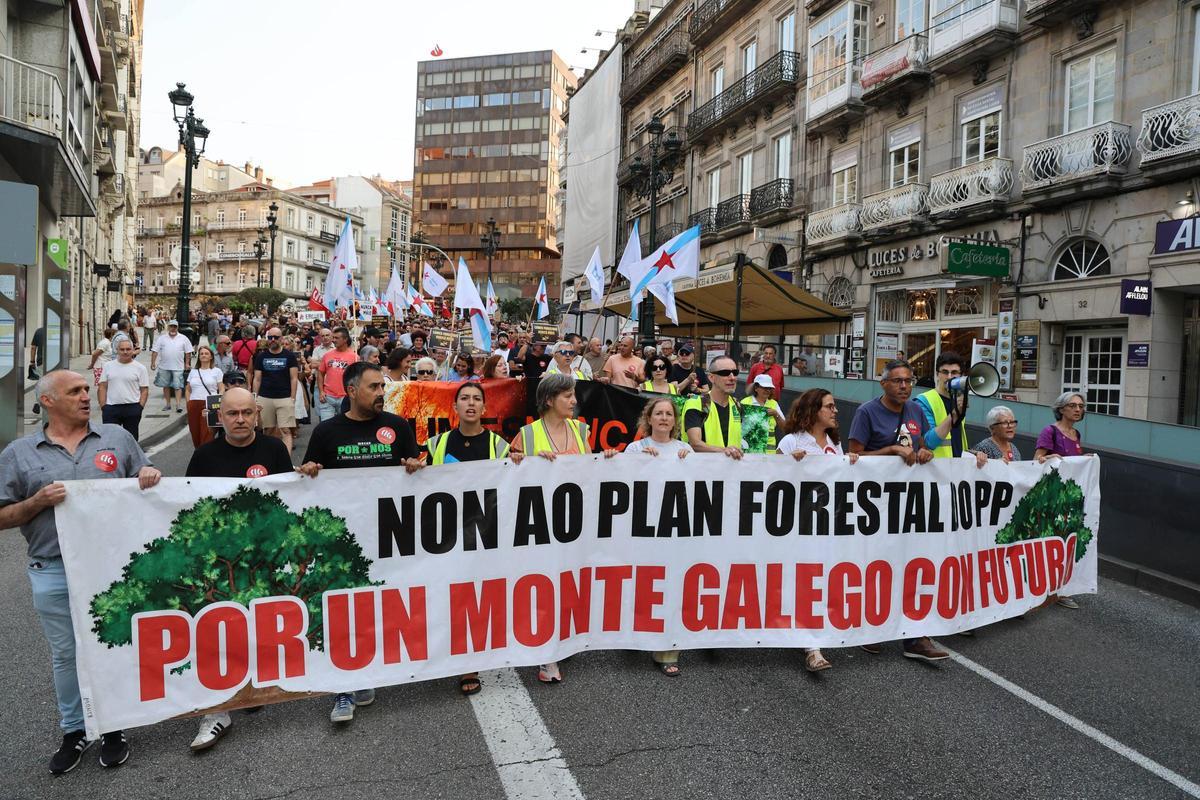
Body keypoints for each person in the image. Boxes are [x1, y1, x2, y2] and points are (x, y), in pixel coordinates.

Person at [0, 369, 161, 774]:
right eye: (75, 391)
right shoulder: (18, 453)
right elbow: (3, 515)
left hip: (111, 567)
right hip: (51, 569)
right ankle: (74, 731)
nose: (86, 396)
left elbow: (149, 487)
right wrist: (36, 502)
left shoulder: (117, 440)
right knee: (66, 655)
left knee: (113, 645)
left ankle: (114, 727)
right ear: (48, 401)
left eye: (87, 389)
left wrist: (149, 476)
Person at [299, 361, 423, 723]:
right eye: (373, 388)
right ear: (351, 391)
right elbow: (309, 477)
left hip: (389, 535)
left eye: (382, 387)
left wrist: (415, 466)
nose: (381, 393)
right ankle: (343, 687)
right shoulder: (326, 432)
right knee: (343, 608)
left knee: (380, 605)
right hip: (341, 539)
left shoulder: (397, 426)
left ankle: (366, 669)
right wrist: (308, 472)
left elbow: (411, 468)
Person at [183, 388, 293, 752]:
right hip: (222, 561)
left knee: (260, 622)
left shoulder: (274, 450)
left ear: (257, 414)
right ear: (221, 416)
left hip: (264, 557)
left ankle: (251, 686)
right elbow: (185, 504)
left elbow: (290, 499)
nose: (241, 419)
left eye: (247, 412)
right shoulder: (204, 456)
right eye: (233, 414)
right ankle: (216, 712)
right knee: (219, 629)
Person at [510, 373, 615, 683]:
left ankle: (564, 638)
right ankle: (547, 656)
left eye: (573, 395)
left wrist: (605, 458)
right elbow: (510, 474)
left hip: (575, 523)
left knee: (570, 582)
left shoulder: (581, 430)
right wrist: (529, 461)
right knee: (545, 585)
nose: (574, 401)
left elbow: (588, 473)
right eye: (567, 396)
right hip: (541, 526)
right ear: (548, 400)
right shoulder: (527, 435)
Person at [425, 382, 523, 695]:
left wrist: (525, 466)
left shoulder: (500, 447)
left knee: (477, 600)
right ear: (454, 407)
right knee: (449, 598)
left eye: (476, 399)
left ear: (484, 409)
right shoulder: (434, 445)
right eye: (464, 398)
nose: (470, 403)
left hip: (485, 536)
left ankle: (470, 665)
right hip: (447, 537)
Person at [847, 359, 946, 662]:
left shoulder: (915, 409)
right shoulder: (867, 412)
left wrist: (925, 452)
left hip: (907, 504)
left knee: (910, 565)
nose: (904, 386)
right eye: (897, 381)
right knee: (874, 566)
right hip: (873, 505)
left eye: (909, 380)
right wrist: (889, 451)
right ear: (884, 384)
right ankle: (868, 627)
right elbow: (852, 455)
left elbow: (923, 442)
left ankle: (915, 637)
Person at [624, 396, 691, 676]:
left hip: (673, 530)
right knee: (642, 581)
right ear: (648, 419)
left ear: (675, 421)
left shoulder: (685, 449)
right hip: (642, 529)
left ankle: (667, 648)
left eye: (669, 414)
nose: (664, 418)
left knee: (672, 584)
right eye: (658, 413)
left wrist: (690, 464)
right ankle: (635, 633)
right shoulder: (635, 448)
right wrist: (638, 462)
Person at [1033, 392, 1090, 610]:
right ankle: (1042, 588)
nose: (1078, 409)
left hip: (1069, 499)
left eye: (1081, 406)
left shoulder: (1076, 434)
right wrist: (1047, 458)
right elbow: (1037, 459)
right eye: (1073, 405)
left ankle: (1060, 589)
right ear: (1061, 408)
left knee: (1066, 542)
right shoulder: (1050, 431)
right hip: (1051, 497)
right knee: (1048, 542)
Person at [913, 351, 988, 468]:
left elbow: (956, 442)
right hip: (934, 470)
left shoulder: (958, 399)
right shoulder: (924, 401)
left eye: (954, 372)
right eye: (944, 372)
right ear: (937, 374)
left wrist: (973, 454)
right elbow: (928, 442)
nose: (949, 377)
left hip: (956, 469)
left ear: (961, 375)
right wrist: (953, 415)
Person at [683, 356, 744, 458]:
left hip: (733, 469)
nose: (732, 377)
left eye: (735, 372)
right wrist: (725, 451)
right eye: (725, 373)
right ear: (711, 377)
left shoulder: (737, 405)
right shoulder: (697, 403)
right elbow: (695, 444)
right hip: (703, 469)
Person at [250, 327, 298, 452]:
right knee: (268, 430)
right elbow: (257, 379)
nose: (272, 340)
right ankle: (268, 457)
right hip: (265, 397)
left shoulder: (289, 356)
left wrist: (292, 398)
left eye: (275, 337)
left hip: (285, 397)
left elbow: (294, 378)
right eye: (270, 337)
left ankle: (286, 461)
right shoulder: (261, 356)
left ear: (281, 339)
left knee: (286, 430)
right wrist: (255, 397)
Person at [98, 339, 150, 438]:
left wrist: (139, 407)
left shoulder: (140, 368)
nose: (125, 352)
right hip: (111, 408)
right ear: (117, 350)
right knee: (110, 439)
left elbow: (144, 390)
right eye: (122, 349)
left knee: (131, 440)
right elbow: (102, 387)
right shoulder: (108, 366)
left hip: (132, 408)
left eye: (128, 349)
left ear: (133, 350)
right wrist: (103, 407)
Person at [185, 345, 225, 447]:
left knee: (207, 434)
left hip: (209, 404)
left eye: (206, 353)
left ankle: (206, 456)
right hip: (193, 404)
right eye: (201, 354)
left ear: (211, 356)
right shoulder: (193, 372)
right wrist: (188, 403)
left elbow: (221, 388)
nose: (203, 355)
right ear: (199, 357)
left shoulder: (216, 371)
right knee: (195, 433)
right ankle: (198, 455)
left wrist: (217, 401)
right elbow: (188, 389)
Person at [150, 320, 193, 413]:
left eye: (175, 326)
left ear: (177, 327)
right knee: (165, 386)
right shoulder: (162, 338)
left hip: (178, 366)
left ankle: (178, 405)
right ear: (168, 327)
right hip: (164, 366)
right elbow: (155, 351)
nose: (173, 328)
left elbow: (188, 352)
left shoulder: (183, 338)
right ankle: (168, 404)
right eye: (171, 326)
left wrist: (187, 363)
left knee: (178, 386)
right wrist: (153, 363)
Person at [316, 327, 358, 422]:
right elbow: (321, 373)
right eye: (333, 337)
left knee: (344, 426)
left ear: (345, 339)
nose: (333, 340)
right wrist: (321, 391)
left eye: (337, 338)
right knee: (326, 426)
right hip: (328, 397)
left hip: (346, 397)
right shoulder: (327, 355)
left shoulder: (355, 357)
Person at [741, 374, 785, 450]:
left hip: (769, 452)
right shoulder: (745, 403)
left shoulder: (774, 404)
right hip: (750, 449)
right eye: (765, 388)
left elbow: (784, 427)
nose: (768, 390)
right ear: (756, 388)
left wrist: (776, 414)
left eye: (769, 388)